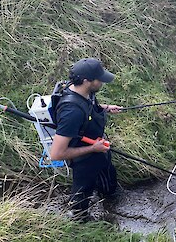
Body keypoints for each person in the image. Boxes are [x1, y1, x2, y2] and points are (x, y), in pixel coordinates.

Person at [50, 58, 123, 220]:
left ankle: (109, 198)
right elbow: (56, 154)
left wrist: (105, 108)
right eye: (99, 79)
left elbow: (89, 106)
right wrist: (93, 148)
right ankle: (79, 218)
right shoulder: (71, 112)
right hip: (83, 159)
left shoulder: (85, 91)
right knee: (81, 195)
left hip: (99, 149)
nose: (102, 82)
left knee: (108, 179)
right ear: (86, 81)